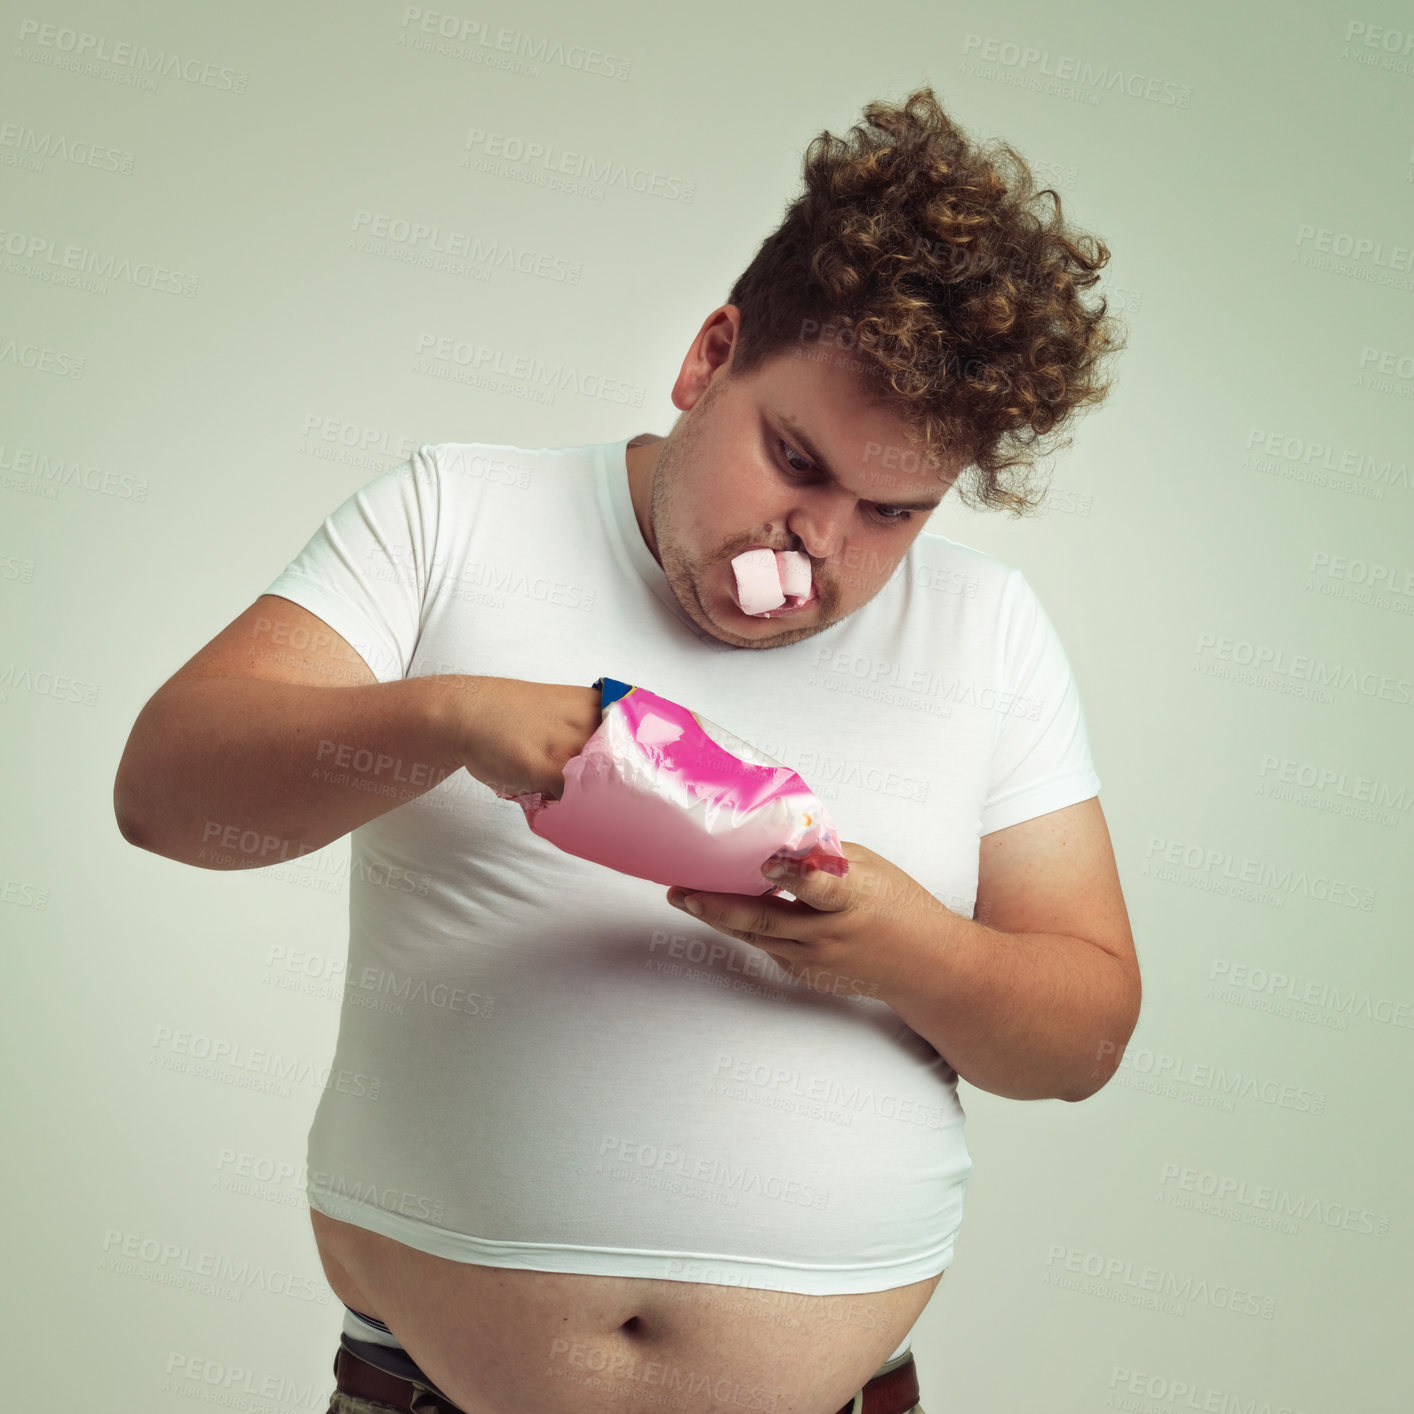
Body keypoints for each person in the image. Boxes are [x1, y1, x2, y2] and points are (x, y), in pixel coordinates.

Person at [114, 86, 1140, 1414]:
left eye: (890, 510)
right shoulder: (453, 515)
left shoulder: (985, 630)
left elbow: (1082, 1039)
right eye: (794, 462)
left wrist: (897, 943)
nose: (817, 544)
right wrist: (448, 715)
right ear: (709, 358)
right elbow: (165, 792)